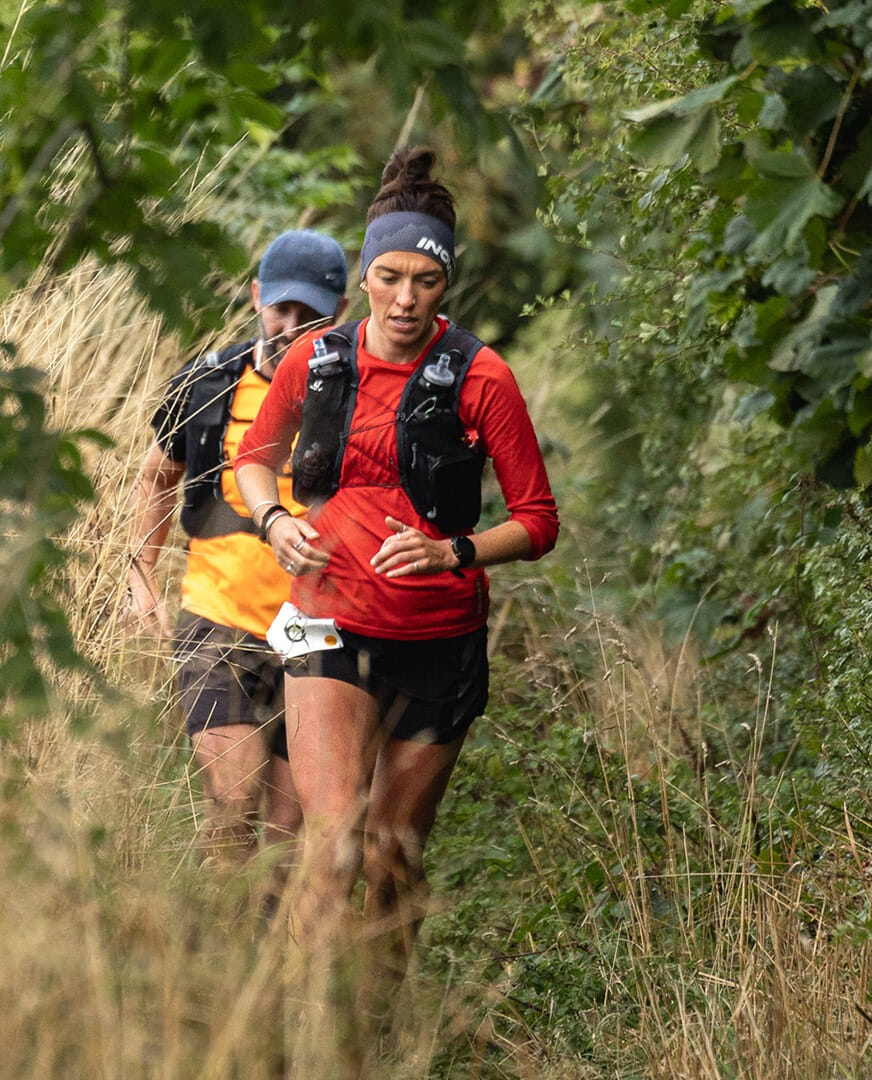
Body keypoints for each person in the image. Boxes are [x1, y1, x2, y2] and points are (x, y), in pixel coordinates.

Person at [231, 148, 559, 1016]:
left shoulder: (483, 377)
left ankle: (375, 1032)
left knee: (390, 855)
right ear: (364, 275)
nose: (407, 299)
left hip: (437, 643)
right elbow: (255, 461)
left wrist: (454, 552)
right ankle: (293, 1038)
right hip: (328, 627)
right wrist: (274, 522)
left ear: (446, 281)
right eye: (388, 276)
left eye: (426, 279)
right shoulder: (316, 360)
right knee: (332, 844)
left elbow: (538, 522)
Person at [127, 229, 351, 872]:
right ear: (257, 296)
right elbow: (156, 477)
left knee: (288, 832)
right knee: (232, 803)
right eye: (280, 308)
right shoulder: (206, 387)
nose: (289, 326)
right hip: (216, 620)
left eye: (309, 316)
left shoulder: (359, 397)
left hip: (316, 628)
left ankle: (269, 965)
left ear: (336, 315)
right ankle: (218, 962)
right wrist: (141, 576)